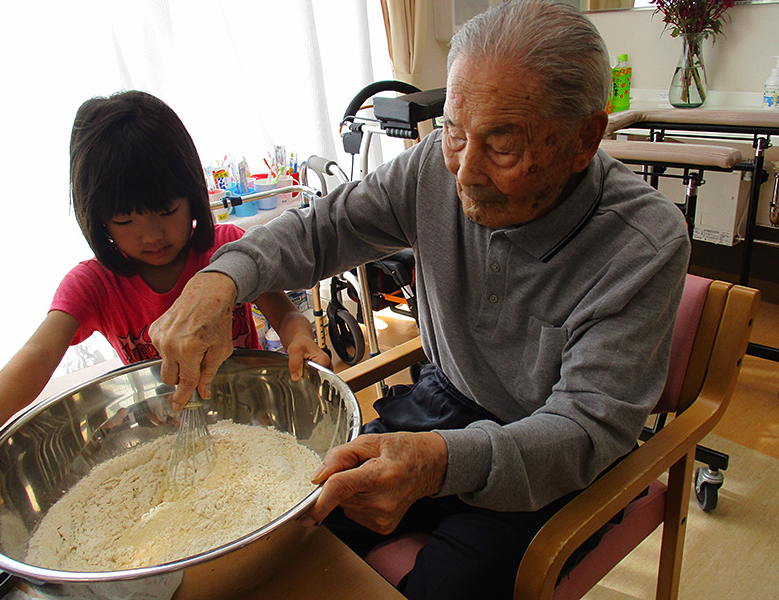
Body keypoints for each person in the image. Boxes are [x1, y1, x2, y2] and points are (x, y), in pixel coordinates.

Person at [149, 1, 691, 597]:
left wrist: (440, 464)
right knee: (294, 523)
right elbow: (320, 230)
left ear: (585, 137)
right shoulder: (434, 167)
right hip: (444, 402)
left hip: (553, 457)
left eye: (502, 144)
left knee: (448, 587)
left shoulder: (642, 243)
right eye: (455, 131)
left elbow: (585, 428)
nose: (463, 172)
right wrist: (218, 280)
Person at [0, 90, 330, 508]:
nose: (151, 235)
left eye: (166, 210)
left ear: (193, 195)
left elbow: (284, 313)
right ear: (97, 219)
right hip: (166, 441)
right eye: (126, 219)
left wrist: (299, 337)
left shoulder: (226, 253)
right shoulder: (94, 284)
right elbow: (39, 352)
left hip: (253, 424)